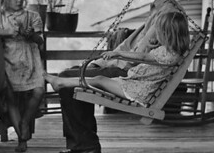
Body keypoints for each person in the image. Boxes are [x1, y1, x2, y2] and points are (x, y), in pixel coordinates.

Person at [54, 0, 184, 153]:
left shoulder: (167, 14)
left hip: (129, 74)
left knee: (68, 81)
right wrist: (103, 61)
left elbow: (138, 55)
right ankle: (82, 145)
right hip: (127, 67)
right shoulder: (160, 9)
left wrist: (110, 60)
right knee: (70, 76)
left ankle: (85, 147)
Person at [45, 10, 190, 107]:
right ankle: (62, 82)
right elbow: (150, 58)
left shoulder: (167, 54)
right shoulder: (172, 52)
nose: (156, 35)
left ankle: (60, 82)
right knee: (98, 80)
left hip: (136, 92)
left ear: (167, 34)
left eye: (159, 32)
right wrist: (153, 45)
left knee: (99, 80)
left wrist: (118, 54)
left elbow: (143, 56)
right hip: (135, 86)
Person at [0, 0, 45, 152]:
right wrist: (7, 32)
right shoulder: (0, 17)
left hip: (31, 60)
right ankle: (22, 138)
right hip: (10, 61)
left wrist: (31, 35)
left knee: (39, 90)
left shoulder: (32, 16)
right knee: (11, 99)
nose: (18, 0)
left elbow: (40, 41)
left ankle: (25, 121)